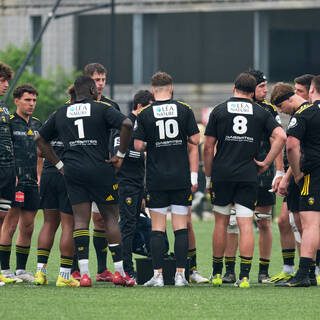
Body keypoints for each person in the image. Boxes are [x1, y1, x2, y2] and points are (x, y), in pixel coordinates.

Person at [35, 75, 134, 287]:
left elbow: (39, 139)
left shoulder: (61, 112)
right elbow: (127, 123)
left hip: (73, 171)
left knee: (80, 220)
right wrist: (121, 155)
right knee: (109, 217)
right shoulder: (100, 108)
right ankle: (119, 273)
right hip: (101, 168)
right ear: (91, 91)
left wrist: (59, 164)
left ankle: (85, 275)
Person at [204, 73, 286, 288]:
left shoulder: (219, 110)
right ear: (252, 93)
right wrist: (267, 162)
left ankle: (217, 274)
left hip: (222, 174)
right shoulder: (260, 112)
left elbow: (207, 146)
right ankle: (245, 277)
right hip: (248, 174)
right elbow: (281, 137)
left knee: (221, 223)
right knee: (245, 223)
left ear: (234, 89)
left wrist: (209, 175)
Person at [134, 71, 200, 287]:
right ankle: (181, 275)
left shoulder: (144, 114)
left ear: (153, 91)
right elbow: (195, 140)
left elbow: (138, 146)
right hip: (180, 177)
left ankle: (159, 275)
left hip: (156, 178)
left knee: (157, 228)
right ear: (171, 88)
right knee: (180, 227)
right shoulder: (184, 109)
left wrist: (152, 143)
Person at [72, 63, 121, 283]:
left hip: (105, 170)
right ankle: (74, 268)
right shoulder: (71, 106)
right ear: (88, 83)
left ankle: (102, 270)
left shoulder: (112, 106)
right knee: (78, 219)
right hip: (79, 171)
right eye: (97, 80)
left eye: (103, 79)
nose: (101, 84)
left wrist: (118, 156)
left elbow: (121, 133)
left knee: (102, 219)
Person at [274, 75, 320, 287]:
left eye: (281, 106)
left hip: (314, 173)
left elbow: (292, 147)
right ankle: (310, 273)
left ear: (311, 90)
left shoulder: (303, 115)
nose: (281, 111)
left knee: (310, 225)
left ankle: (303, 274)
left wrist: (297, 173)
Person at [34, 84, 79, 287]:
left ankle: (40, 273)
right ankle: (64, 276)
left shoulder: (57, 113)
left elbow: (40, 148)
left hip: (49, 173)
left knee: (49, 223)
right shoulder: (83, 116)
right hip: (67, 174)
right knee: (69, 225)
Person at [0, 84, 42, 283]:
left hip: (32, 182)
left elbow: (41, 153)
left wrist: (39, 176)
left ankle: (21, 270)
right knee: (10, 223)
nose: (31, 104)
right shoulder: (8, 122)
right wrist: (11, 175)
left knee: (28, 226)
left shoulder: (36, 124)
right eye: (27, 100)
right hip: (14, 181)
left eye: (34, 100)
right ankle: (5, 269)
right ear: (16, 101)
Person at [114, 90, 154, 280]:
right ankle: (126, 269)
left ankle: (129, 266)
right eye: (150, 106)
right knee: (128, 225)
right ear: (140, 107)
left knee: (134, 223)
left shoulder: (143, 124)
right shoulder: (126, 124)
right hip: (125, 182)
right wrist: (143, 153)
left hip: (138, 183)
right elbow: (117, 152)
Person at [0, 62, 15, 286]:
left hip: (6, 171)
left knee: (2, 218)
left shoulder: (4, 109)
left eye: (6, 82)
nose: (5, 85)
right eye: (1, 81)